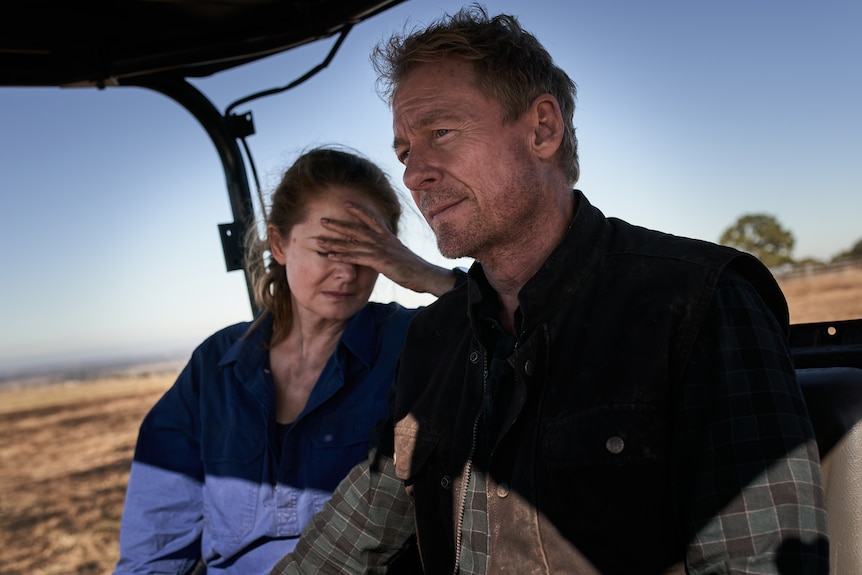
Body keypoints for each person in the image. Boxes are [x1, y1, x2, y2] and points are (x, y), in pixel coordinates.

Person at [270, 5, 830, 575]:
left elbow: (761, 560)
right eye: (407, 153)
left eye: (441, 133)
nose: (415, 174)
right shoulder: (433, 341)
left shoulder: (699, 301)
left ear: (543, 128)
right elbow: (348, 538)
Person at [113, 146, 460, 574]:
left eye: (367, 252)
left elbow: (515, 330)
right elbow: (157, 539)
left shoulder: (415, 342)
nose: (347, 273)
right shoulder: (216, 365)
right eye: (328, 249)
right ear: (279, 244)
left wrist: (428, 276)